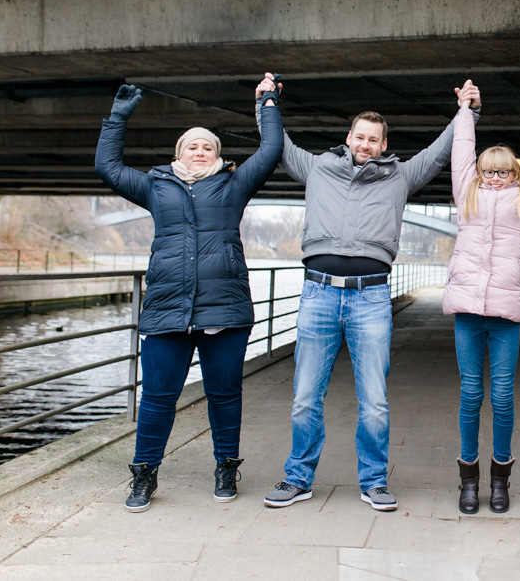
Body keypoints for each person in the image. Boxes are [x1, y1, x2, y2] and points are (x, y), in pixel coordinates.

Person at [262, 80, 482, 512]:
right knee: (306, 395)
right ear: (349, 138)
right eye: (359, 136)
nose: (365, 144)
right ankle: (297, 478)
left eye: (373, 139)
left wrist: (467, 112)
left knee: (375, 401)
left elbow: (441, 151)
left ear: (384, 145)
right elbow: (278, 143)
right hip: (318, 294)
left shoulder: (400, 176)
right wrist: (266, 101)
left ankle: (375, 482)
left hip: (371, 299)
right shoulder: (317, 168)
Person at [95, 74, 285, 512]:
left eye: (209, 147)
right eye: (192, 146)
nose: (200, 152)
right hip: (166, 311)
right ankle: (144, 475)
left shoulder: (234, 185)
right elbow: (107, 168)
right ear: (178, 153)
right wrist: (118, 118)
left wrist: (268, 103)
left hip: (225, 310)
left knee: (224, 395)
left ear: (218, 156)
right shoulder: (155, 186)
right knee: (158, 398)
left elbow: (271, 151)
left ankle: (225, 466)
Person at [443, 88, 520, 514]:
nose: (495, 178)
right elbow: (461, 152)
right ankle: (468, 480)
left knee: (503, 395)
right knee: (470, 394)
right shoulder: (467, 196)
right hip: (467, 314)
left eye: (503, 172)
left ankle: (501, 480)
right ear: (478, 175)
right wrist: (465, 112)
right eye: (488, 172)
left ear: (514, 174)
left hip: (505, 314)